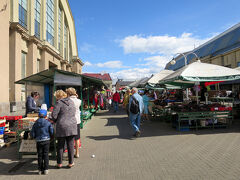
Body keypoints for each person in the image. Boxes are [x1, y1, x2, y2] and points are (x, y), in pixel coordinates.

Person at [51, 90, 77, 168]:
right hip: (72, 125)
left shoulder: (59, 103)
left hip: (62, 126)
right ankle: (71, 162)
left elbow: (54, 115)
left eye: (56, 97)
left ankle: (59, 163)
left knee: (60, 145)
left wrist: (56, 120)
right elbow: (74, 112)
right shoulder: (72, 102)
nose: (56, 99)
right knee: (70, 145)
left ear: (58, 96)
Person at [30, 109, 54, 175]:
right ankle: (46, 169)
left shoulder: (35, 123)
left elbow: (32, 133)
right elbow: (51, 132)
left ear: (38, 115)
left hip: (39, 141)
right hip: (46, 140)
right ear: (46, 116)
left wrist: (34, 137)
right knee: (46, 154)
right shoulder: (48, 123)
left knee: (40, 155)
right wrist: (52, 137)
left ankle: (40, 170)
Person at [66, 87, 81, 158]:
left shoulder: (67, 101)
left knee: (70, 138)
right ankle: (77, 153)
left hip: (69, 121)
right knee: (77, 138)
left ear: (68, 93)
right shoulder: (79, 101)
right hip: (77, 121)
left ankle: (71, 154)